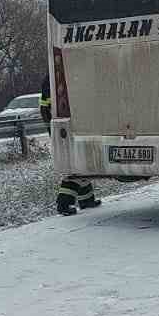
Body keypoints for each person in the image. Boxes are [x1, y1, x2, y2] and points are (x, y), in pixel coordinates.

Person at [41, 70, 101, 216]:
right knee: (76, 162)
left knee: (81, 159)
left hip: (59, 118)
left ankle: (86, 199)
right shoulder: (59, 76)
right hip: (62, 119)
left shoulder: (56, 74)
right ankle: (64, 203)